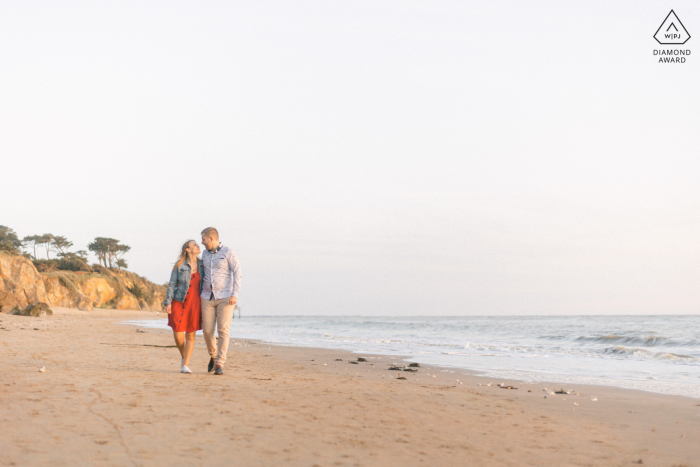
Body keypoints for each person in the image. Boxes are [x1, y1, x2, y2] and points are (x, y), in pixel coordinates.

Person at [200, 227, 242, 375]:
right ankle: (213, 355)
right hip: (206, 296)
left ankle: (219, 363)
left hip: (225, 297)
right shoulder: (204, 254)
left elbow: (237, 272)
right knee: (207, 331)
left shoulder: (229, 252)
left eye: (203, 239)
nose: (202, 242)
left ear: (211, 238)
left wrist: (234, 294)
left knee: (223, 329)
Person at [163, 240, 204, 374]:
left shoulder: (203, 265)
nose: (198, 246)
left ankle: (185, 365)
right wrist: (168, 302)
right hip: (178, 301)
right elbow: (172, 284)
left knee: (191, 335)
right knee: (178, 335)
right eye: (195, 245)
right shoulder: (179, 265)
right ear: (187, 249)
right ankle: (183, 356)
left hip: (195, 304)